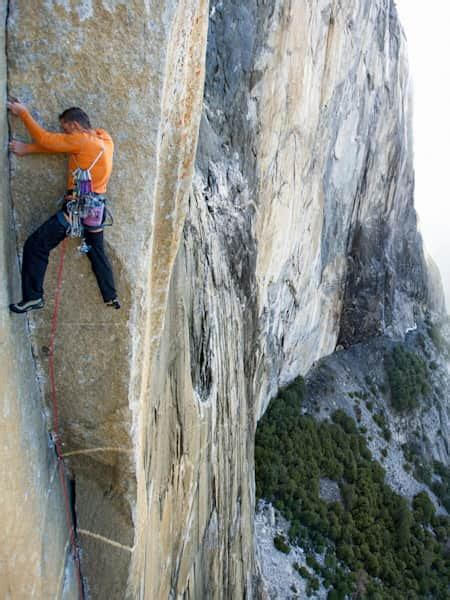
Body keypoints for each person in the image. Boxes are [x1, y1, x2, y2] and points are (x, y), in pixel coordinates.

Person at [7, 100, 120, 313]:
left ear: (75, 126)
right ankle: (110, 295)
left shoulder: (82, 141)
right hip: (97, 209)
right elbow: (61, 146)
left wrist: (23, 113)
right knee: (97, 251)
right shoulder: (104, 139)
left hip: (77, 208)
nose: (64, 133)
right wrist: (28, 149)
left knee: (36, 245)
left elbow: (46, 140)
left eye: (65, 129)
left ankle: (33, 297)